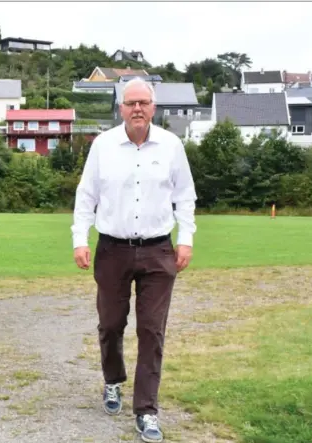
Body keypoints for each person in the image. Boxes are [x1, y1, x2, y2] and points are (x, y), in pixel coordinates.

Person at [71, 77, 197, 443]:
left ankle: (146, 411)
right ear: (121, 108)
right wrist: (80, 238)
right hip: (112, 249)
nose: (137, 108)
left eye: (144, 102)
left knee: (151, 330)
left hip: (159, 250)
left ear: (153, 107)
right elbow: (86, 196)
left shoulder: (171, 146)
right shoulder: (104, 146)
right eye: (131, 103)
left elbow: (185, 196)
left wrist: (185, 239)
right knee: (111, 324)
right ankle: (112, 381)